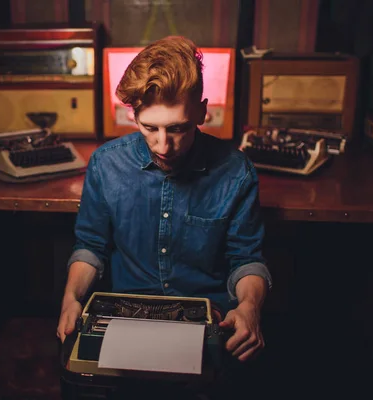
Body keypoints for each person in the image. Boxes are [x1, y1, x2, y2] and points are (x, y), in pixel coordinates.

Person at [57, 35, 272, 398]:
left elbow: (246, 258)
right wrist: (70, 296)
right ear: (132, 115)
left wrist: (250, 306)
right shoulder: (106, 164)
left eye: (178, 128)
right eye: (149, 128)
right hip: (123, 317)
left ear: (202, 113)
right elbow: (91, 245)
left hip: (207, 320)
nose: (163, 145)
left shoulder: (237, 172)